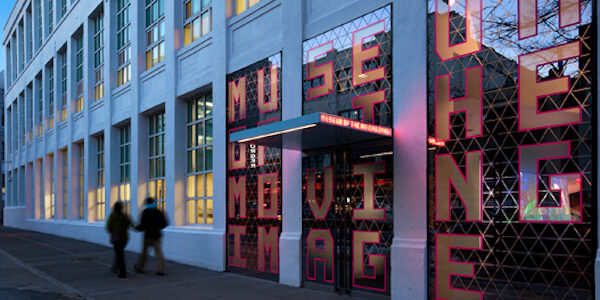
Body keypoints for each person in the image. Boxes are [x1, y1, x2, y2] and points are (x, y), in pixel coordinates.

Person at [134, 197, 168, 275]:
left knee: (144, 252)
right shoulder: (159, 211)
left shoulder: (145, 212)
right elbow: (165, 223)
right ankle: (161, 270)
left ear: (147, 203)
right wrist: (157, 228)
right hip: (157, 235)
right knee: (158, 253)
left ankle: (139, 267)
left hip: (148, 235)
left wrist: (137, 228)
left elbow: (143, 225)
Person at [106, 202, 132, 278]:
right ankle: (114, 267)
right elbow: (130, 224)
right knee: (119, 253)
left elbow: (108, 226)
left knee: (119, 254)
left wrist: (112, 232)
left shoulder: (112, 215)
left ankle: (122, 272)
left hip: (116, 237)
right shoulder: (125, 215)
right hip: (124, 237)